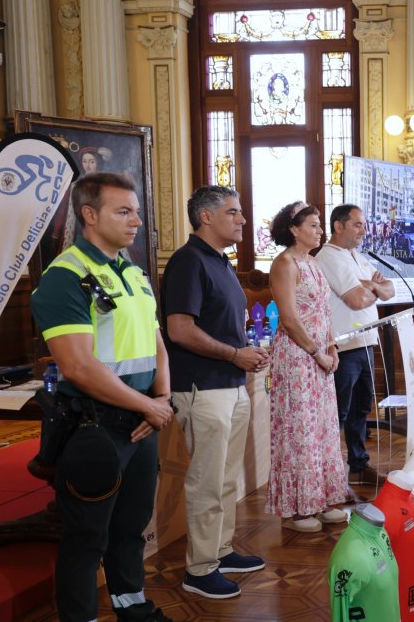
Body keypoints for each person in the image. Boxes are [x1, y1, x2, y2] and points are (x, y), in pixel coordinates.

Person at [30, 172, 175, 622]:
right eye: (123, 211)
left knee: (130, 531)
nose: (136, 220)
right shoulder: (65, 276)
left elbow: (156, 344)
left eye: (135, 210)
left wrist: (162, 399)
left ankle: (133, 611)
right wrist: (148, 406)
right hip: (96, 426)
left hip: (143, 422)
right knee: (85, 538)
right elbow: (78, 366)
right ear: (89, 215)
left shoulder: (131, 270)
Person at [162, 186, 271, 599]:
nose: (243, 219)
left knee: (226, 478)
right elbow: (180, 330)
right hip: (202, 386)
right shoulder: (188, 261)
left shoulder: (220, 263)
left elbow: (222, 324)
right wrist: (234, 354)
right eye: (233, 212)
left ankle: (220, 551)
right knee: (207, 480)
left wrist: (244, 354)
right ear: (205, 217)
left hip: (229, 383)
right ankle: (200, 568)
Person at [266, 201, 350, 532]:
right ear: (293, 229)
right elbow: (288, 319)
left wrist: (333, 348)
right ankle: (298, 509)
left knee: (323, 428)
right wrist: (317, 352)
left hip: (320, 356)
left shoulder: (312, 263)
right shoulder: (285, 263)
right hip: (296, 357)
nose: (320, 231)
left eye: (319, 225)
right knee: (299, 430)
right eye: (313, 225)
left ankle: (323, 497)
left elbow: (324, 313)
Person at [316, 204, 395, 484]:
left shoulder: (359, 257)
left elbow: (390, 290)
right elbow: (355, 300)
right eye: (358, 224)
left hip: (365, 342)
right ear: (339, 226)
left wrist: (369, 285)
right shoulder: (329, 257)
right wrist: (370, 288)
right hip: (343, 345)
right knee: (339, 409)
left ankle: (358, 463)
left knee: (362, 406)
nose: (364, 230)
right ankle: (328, 471)